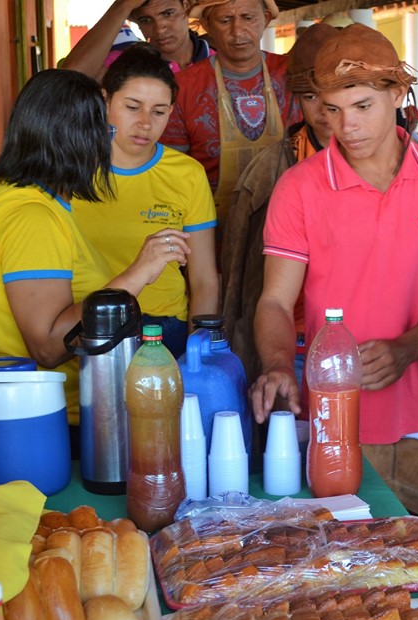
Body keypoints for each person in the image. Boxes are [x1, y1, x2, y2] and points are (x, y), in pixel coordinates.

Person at [249, 24, 418, 519]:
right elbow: (274, 300)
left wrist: (409, 347)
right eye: (330, 110)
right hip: (332, 415)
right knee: (342, 563)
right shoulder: (299, 187)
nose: (343, 126)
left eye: (361, 107)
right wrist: (274, 365)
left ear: (397, 94)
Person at [0, 69, 188, 427]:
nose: (107, 144)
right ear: (75, 138)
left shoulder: (10, 194)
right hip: (57, 418)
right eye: (105, 131)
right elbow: (48, 345)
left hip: (48, 409)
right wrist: (136, 274)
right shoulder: (32, 217)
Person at [74, 45, 218, 359]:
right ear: (104, 99)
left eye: (159, 111)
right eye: (132, 106)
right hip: (87, 323)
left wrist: (197, 353)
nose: (145, 123)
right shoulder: (72, 170)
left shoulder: (187, 175)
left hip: (165, 328)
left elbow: (204, 278)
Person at [221, 22, 339, 386]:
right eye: (309, 95)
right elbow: (238, 274)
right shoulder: (269, 171)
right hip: (292, 343)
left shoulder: (409, 168)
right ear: (293, 97)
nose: (323, 109)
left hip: (376, 345)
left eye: (333, 92)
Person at [160, 0, 293, 239]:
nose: (237, 31)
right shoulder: (183, 88)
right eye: (225, 20)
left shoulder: (293, 75)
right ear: (207, 25)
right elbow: (173, 175)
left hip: (290, 230)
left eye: (248, 17)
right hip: (211, 235)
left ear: (266, 18)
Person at [61, 0, 212, 81]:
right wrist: (122, 5)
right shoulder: (126, 62)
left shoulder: (218, 61)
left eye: (167, 13)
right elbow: (69, 78)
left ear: (186, 6)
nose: (159, 29)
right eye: (146, 20)